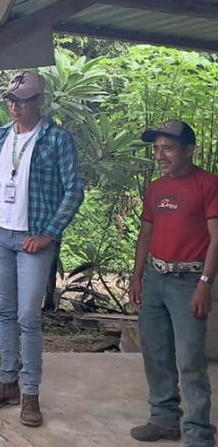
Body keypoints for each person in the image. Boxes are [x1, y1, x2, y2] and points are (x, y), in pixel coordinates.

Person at [0, 71, 84, 427]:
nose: (15, 107)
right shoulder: (0, 136)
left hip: (33, 238)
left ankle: (31, 393)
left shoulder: (56, 139)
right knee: (4, 312)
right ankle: (8, 383)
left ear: (39, 101)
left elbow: (74, 191)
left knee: (28, 317)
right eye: (11, 100)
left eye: (22, 101)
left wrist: (49, 233)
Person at [129, 120, 218, 446]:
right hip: (155, 278)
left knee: (190, 359)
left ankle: (198, 433)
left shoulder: (208, 185)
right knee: (155, 353)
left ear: (189, 150)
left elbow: (216, 237)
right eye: (157, 149)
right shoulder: (155, 188)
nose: (160, 155)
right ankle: (164, 419)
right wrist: (137, 277)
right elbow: (146, 234)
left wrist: (205, 282)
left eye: (168, 148)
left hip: (189, 280)